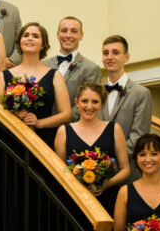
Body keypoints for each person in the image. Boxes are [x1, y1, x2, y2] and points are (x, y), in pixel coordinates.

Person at [54, 81, 129, 215]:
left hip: (107, 200)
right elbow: (60, 173)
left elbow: (125, 170)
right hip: (75, 201)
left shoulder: (114, 129)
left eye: (95, 102)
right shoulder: (63, 131)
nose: (89, 106)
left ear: (102, 104)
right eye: (84, 101)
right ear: (76, 102)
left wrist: (107, 183)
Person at [0, 22, 71, 148]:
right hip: (11, 139)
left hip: (43, 140)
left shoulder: (55, 75)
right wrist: (13, 113)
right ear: (19, 42)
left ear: (43, 44)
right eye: (26, 35)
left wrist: (39, 123)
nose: (29, 38)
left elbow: (66, 114)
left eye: (35, 36)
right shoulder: (4, 76)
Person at [98, 34, 152, 153]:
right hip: (95, 166)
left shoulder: (141, 93)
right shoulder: (96, 93)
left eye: (115, 52)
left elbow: (139, 136)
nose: (109, 57)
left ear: (126, 57)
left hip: (128, 166)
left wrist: (112, 160)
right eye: (106, 53)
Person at [42, 16, 100, 120]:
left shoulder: (91, 69)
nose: (68, 35)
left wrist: (58, 121)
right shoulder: (43, 65)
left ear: (81, 36)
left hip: (71, 128)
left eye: (73, 31)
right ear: (58, 34)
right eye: (64, 31)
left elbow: (87, 104)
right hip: (40, 130)